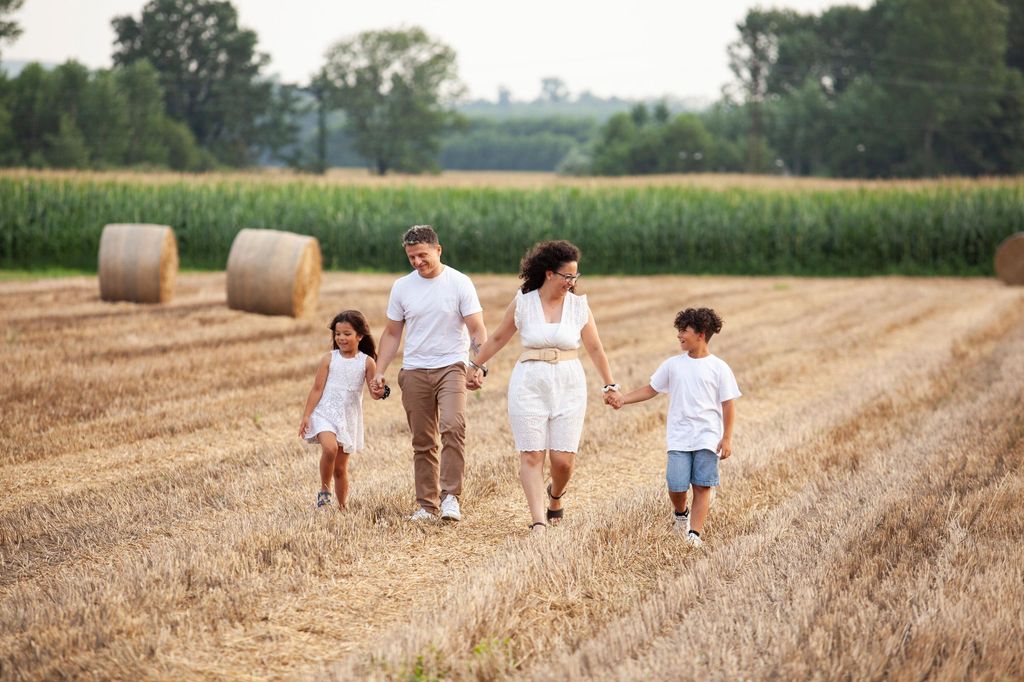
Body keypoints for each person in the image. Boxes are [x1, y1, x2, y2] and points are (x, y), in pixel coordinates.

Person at [468, 240, 620, 533]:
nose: (571, 282)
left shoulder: (579, 307)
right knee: (532, 454)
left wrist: (609, 384)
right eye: (567, 277)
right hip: (529, 382)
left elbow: (596, 348)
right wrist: (476, 365)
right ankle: (538, 521)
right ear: (549, 273)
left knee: (563, 461)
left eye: (575, 277)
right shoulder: (523, 302)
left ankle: (556, 496)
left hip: (568, 384)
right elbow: (499, 338)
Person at [373, 225, 487, 522]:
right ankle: (427, 504)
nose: (417, 262)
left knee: (452, 426)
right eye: (411, 257)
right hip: (414, 369)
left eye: (422, 255)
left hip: (452, 366)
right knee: (422, 441)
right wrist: (379, 370)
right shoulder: (402, 287)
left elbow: (477, 329)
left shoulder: (460, 283)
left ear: (438, 250)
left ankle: (451, 497)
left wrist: (479, 364)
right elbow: (391, 333)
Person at [608, 307, 740, 548]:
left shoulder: (719, 368)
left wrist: (727, 438)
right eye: (679, 330)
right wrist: (623, 398)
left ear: (700, 334)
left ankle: (694, 534)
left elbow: (728, 405)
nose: (679, 335)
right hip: (679, 436)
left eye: (684, 331)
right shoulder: (673, 365)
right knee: (676, 484)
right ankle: (681, 514)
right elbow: (651, 389)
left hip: (707, 436)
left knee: (702, 485)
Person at [299, 310, 384, 510]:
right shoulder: (329, 358)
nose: (341, 338)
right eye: (338, 334)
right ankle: (324, 490)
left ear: (359, 336)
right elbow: (317, 389)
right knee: (330, 448)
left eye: (347, 334)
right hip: (325, 412)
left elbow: (375, 393)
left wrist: (382, 390)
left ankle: (342, 507)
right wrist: (306, 415)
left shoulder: (366, 362)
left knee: (340, 468)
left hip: (348, 417)